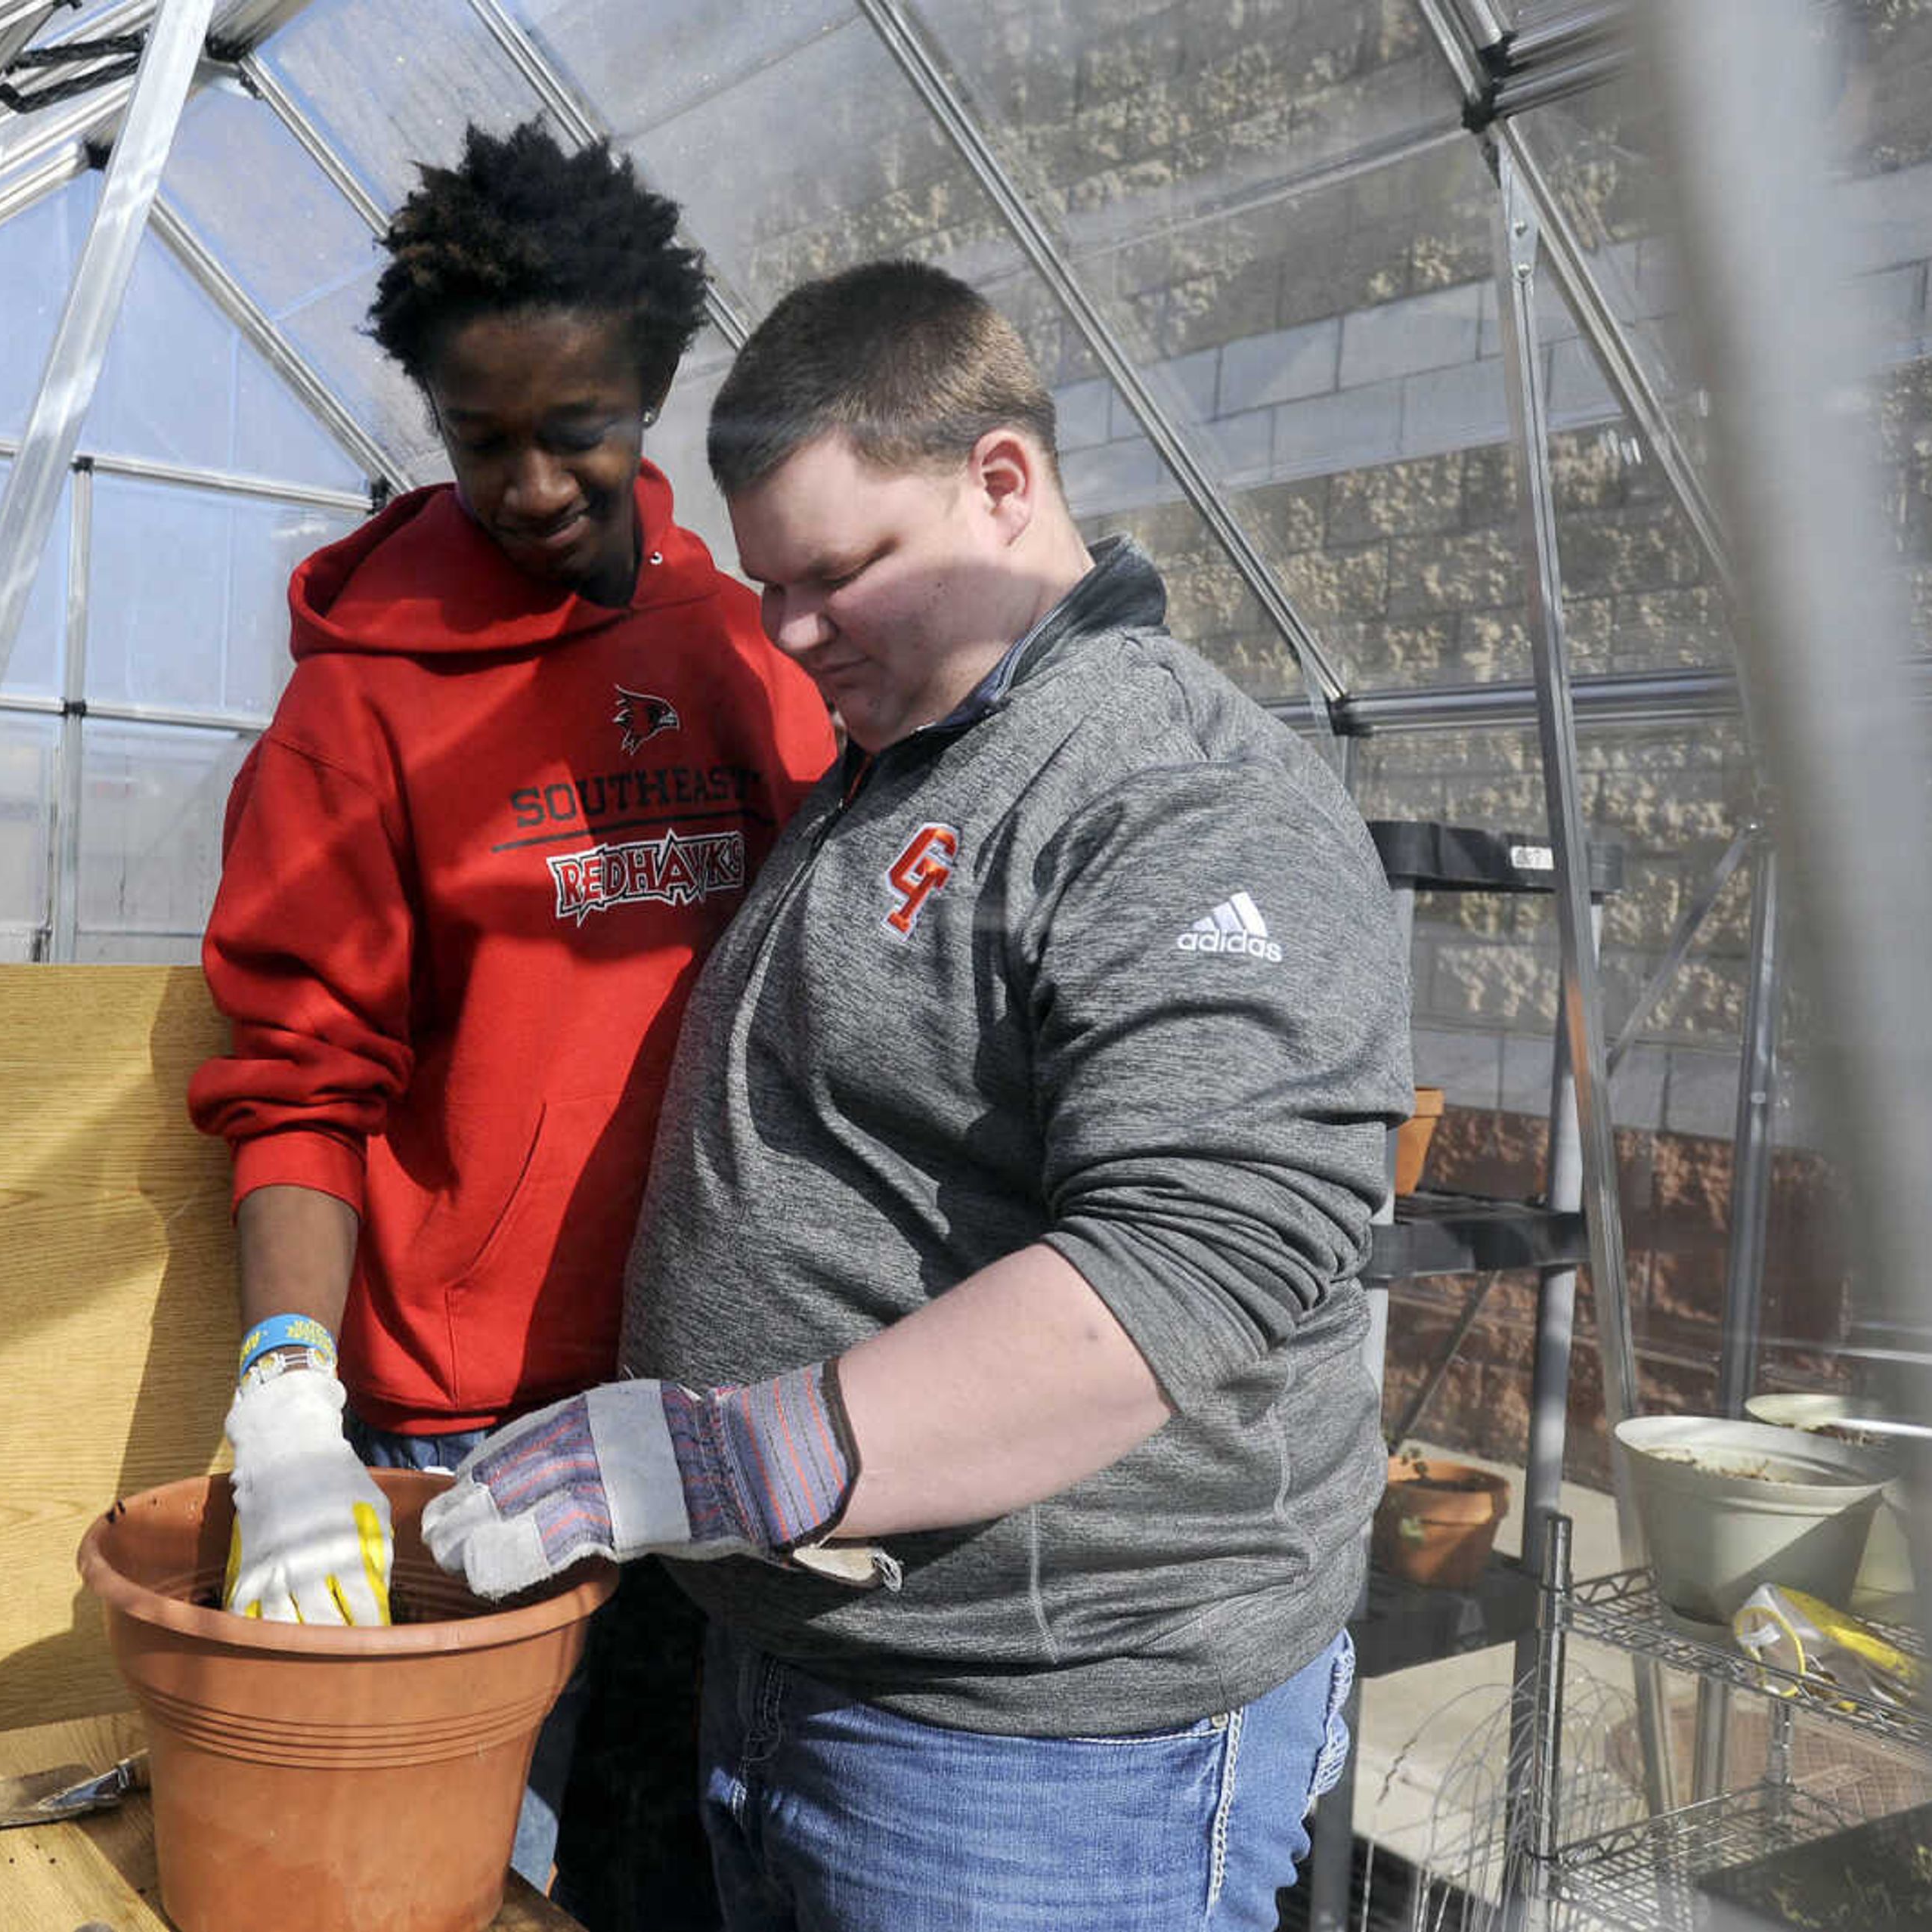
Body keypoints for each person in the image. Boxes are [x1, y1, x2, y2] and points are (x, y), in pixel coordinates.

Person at [423, 259, 1413, 1932]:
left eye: (837, 573)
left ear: (1002, 484)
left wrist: (730, 1464)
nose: (786, 633)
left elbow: (1187, 1269)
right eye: (766, 586)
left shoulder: (1167, 792)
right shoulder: (908, 759)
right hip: (812, 1668)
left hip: (1042, 1752)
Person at [184, 122, 836, 1920]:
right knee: (454, 1872)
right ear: (429, 415)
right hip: (467, 1425)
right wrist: (289, 1390)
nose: (536, 480)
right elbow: (297, 1070)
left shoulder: (757, 653)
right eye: (482, 438)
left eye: (583, 428)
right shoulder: (359, 712)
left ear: (657, 394)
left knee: (669, 1862)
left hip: (721, 1395)